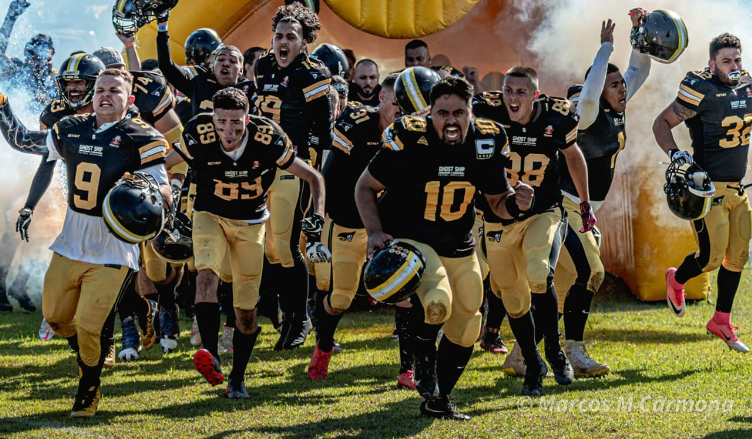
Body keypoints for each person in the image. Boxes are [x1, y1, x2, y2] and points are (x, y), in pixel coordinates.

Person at [0, 68, 172, 417]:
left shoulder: (142, 136)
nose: (106, 95)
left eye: (115, 90)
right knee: (57, 318)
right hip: (71, 240)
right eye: (101, 90)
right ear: (93, 97)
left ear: (130, 99)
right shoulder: (70, 128)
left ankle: (88, 389)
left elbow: (164, 187)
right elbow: (25, 143)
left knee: (91, 327)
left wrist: (149, 193)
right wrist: (3, 107)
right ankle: (101, 346)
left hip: (113, 246)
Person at [356, 76, 518, 420]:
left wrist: (517, 203)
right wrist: (374, 232)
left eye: (459, 112)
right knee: (437, 301)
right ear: (430, 112)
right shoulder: (409, 136)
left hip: (459, 244)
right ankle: (422, 364)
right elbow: (365, 187)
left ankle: (439, 397)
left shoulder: (487, 138)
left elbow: (497, 201)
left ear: (471, 111)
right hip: (413, 241)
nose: (451, 121)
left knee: (469, 325)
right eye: (442, 112)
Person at [165, 87, 326, 398]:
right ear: (213, 119)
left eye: (236, 123)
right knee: (206, 276)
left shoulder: (269, 137)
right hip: (210, 214)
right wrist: (168, 197)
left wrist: (317, 215)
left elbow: (314, 178)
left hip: (252, 224)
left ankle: (237, 378)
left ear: (248, 119)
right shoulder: (198, 131)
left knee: (246, 314)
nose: (229, 130)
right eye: (222, 122)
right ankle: (210, 355)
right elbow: (165, 163)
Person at [472, 66, 591, 396]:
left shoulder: (558, 116)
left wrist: (584, 201)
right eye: (508, 90)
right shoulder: (485, 111)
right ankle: (534, 362)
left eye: (521, 92)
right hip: (497, 218)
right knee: (513, 296)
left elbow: (572, 154)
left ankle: (553, 349)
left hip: (543, 211)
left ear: (535, 95)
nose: (512, 97)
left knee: (539, 274)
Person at [554, 9, 651, 378]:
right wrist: (605, 49)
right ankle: (574, 353)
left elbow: (639, 70)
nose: (622, 88)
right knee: (592, 273)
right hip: (563, 206)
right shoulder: (589, 113)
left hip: (583, 210)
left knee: (559, 284)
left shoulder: (617, 106)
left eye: (620, 85)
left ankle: (521, 352)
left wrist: (639, 34)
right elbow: (593, 91)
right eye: (614, 85)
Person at [653, 33, 752, 353]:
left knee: (739, 257)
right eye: (726, 60)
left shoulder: (749, 86)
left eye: (737, 59)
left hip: (738, 188)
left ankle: (720, 320)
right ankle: (676, 279)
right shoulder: (701, 89)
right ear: (712, 64)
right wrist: (676, 155)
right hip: (708, 190)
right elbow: (661, 124)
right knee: (710, 259)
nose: (734, 65)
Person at [93, 45, 190, 357]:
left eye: (115, 75)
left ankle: (167, 309)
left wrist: (171, 189)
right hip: (107, 193)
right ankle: (129, 328)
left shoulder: (148, 93)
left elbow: (182, 145)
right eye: (99, 80)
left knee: (157, 267)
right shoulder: (84, 103)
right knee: (117, 265)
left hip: (148, 189)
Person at [308, 72, 400, 381]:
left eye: (408, 104)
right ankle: (323, 349)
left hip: (393, 222)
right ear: (381, 98)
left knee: (408, 294)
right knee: (342, 296)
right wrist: (322, 215)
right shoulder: (358, 124)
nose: (402, 110)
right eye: (396, 102)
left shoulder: (417, 130)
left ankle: (411, 367)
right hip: (348, 218)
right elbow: (330, 174)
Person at [254, 2, 332, 350]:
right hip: (260, 166)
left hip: (294, 165)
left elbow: (324, 134)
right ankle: (287, 315)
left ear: (304, 42)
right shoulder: (262, 65)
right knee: (270, 249)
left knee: (285, 246)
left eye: (291, 36)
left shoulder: (313, 74)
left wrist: (317, 180)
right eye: (278, 36)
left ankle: (300, 319)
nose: (283, 42)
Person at [0, 0, 57, 110]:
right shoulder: (16, 71)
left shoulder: (58, 82)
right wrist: (11, 17)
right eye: (37, 58)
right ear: (28, 57)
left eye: (47, 58)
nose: (43, 64)